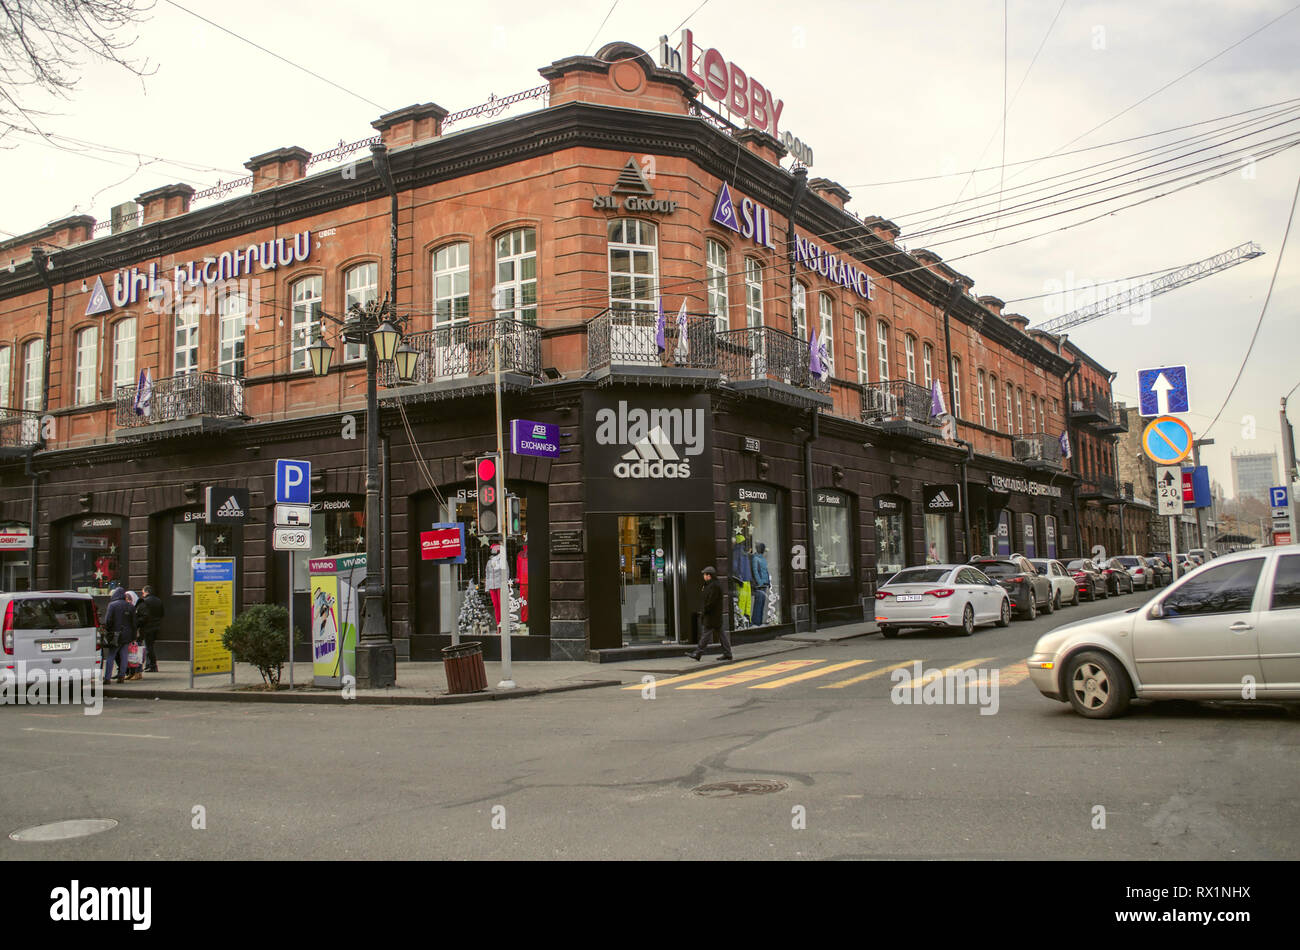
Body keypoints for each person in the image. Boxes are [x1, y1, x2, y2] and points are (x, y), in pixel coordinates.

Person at [686, 566, 730, 662]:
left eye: (704, 574)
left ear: (709, 575)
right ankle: (728, 653)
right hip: (714, 615)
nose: (703, 576)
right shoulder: (709, 585)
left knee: (706, 634)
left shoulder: (714, 586)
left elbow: (711, 602)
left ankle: (698, 653)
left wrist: (705, 611)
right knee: (721, 635)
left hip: (712, 615)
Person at [102, 586, 137, 684]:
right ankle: (121, 676)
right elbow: (134, 623)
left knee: (111, 656)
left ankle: (107, 678)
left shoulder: (112, 605)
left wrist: (108, 631)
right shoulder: (130, 606)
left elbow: (108, 620)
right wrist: (134, 636)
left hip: (115, 634)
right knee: (124, 655)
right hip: (127, 635)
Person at [136, 585, 164, 673]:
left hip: (147, 627)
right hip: (156, 626)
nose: (142, 594)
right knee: (150, 646)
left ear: (147, 592)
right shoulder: (159, 601)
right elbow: (162, 613)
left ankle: (152, 666)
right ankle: (149, 665)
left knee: (148, 647)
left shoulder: (144, 601)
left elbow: (142, 615)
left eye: (143, 592)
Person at [750, 542, 770, 627]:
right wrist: (760, 582)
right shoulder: (755, 558)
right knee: (758, 603)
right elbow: (755, 572)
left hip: (764, 584)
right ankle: (756, 622)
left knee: (762, 603)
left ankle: (760, 621)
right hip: (760, 585)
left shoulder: (762, 559)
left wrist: (768, 581)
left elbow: (766, 571)